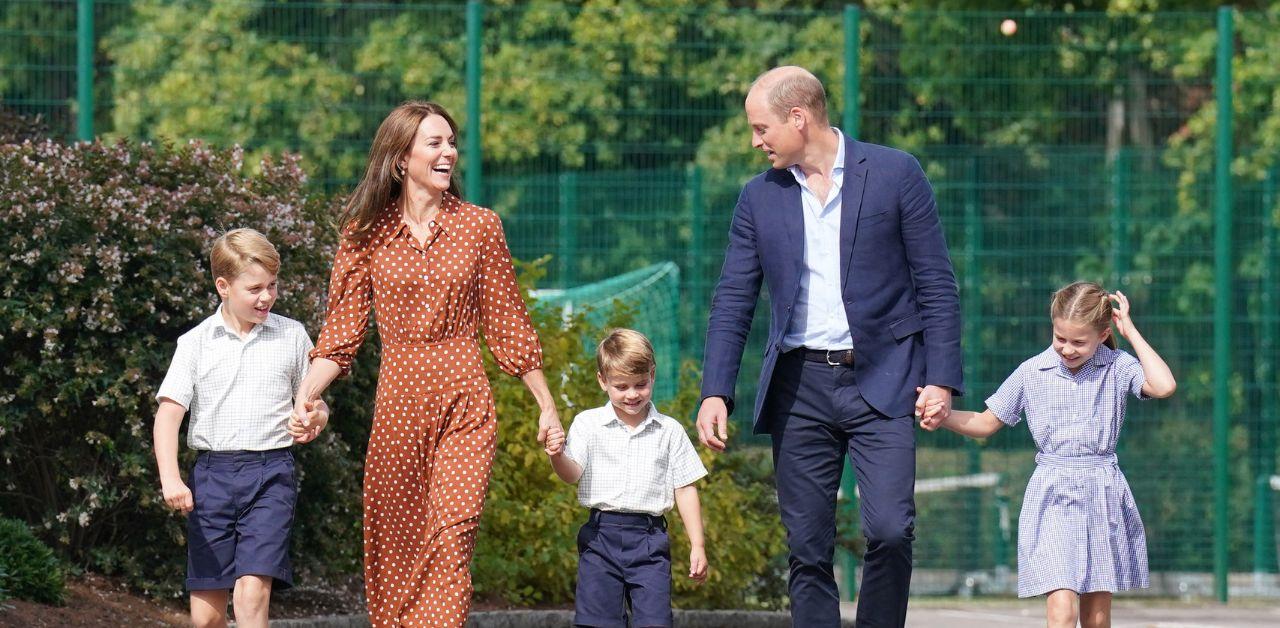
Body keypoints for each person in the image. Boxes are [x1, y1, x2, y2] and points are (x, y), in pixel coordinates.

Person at [695, 66, 963, 627]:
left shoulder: (895, 174)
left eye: (761, 127)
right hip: (799, 388)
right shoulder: (757, 199)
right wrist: (716, 391)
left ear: (799, 117)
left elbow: (936, 283)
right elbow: (732, 301)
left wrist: (941, 378)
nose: (755, 141)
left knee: (891, 529)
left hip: (886, 381)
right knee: (807, 548)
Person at [290, 101, 561, 627]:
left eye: (451, 142)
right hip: (398, 406)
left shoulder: (480, 226)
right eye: (435, 143)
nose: (449, 152)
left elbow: (506, 321)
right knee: (397, 544)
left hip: (465, 400)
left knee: (452, 536)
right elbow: (343, 332)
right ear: (400, 158)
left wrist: (546, 405)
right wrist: (309, 394)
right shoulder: (363, 235)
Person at [918, 282, 1175, 628]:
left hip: (1102, 494)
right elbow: (984, 422)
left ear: (1102, 335)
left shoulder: (1117, 366)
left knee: (1097, 619)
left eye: (1078, 341)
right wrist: (944, 416)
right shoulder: (1031, 371)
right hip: (1052, 495)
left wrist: (1129, 332)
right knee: (1061, 611)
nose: (1067, 349)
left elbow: (1163, 385)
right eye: (1060, 338)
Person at [153, 228, 329, 628]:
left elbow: (316, 404)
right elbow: (168, 415)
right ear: (223, 286)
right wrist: (171, 478)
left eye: (272, 286)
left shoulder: (292, 335)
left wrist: (314, 419)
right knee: (206, 618)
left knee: (252, 591)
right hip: (211, 479)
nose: (266, 296)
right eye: (254, 288)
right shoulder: (196, 342)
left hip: (272, 475)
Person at [543, 328, 708, 628]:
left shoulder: (669, 431)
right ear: (602, 381)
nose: (632, 394)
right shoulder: (587, 423)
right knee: (597, 622)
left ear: (653, 375)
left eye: (640, 384)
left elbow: (685, 487)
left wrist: (697, 544)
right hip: (600, 537)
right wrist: (557, 455)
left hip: (649, 539)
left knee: (655, 621)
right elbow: (571, 474)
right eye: (621, 386)